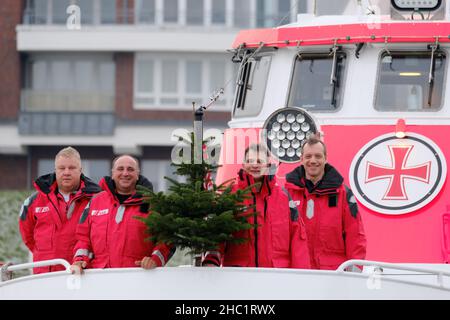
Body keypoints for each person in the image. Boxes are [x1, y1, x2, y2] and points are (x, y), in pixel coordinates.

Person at [202, 144, 310, 269]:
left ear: (268, 165)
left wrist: (302, 276)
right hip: (239, 277)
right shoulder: (231, 197)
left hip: (277, 277)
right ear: (243, 164)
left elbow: (298, 239)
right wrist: (212, 260)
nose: (255, 165)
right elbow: (218, 232)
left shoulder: (284, 198)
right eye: (250, 161)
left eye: (260, 161)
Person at [71, 155, 174, 273]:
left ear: (137, 174)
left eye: (130, 169)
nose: (125, 173)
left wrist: (154, 260)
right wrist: (80, 260)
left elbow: (167, 239)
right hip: (99, 277)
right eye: (120, 169)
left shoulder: (152, 204)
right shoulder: (95, 202)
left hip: (138, 277)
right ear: (113, 173)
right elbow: (83, 238)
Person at [285, 135, 366, 271]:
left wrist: (354, 274)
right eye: (308, 156)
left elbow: (355, 236)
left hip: (333, 275)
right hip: (298, 274)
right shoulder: (287, 194)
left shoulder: (344, 195)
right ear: (301, 159)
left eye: (318, 156)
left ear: (325, 158)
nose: (313, 161)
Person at [19, 147, 102, 274]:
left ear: (80, 170)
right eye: (62, 168)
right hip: (44, 274)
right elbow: (28, 237)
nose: (66, 172)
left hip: (82, 274)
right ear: (56, 170)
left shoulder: (96, 200)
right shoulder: (33, 202)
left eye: (72, 168)